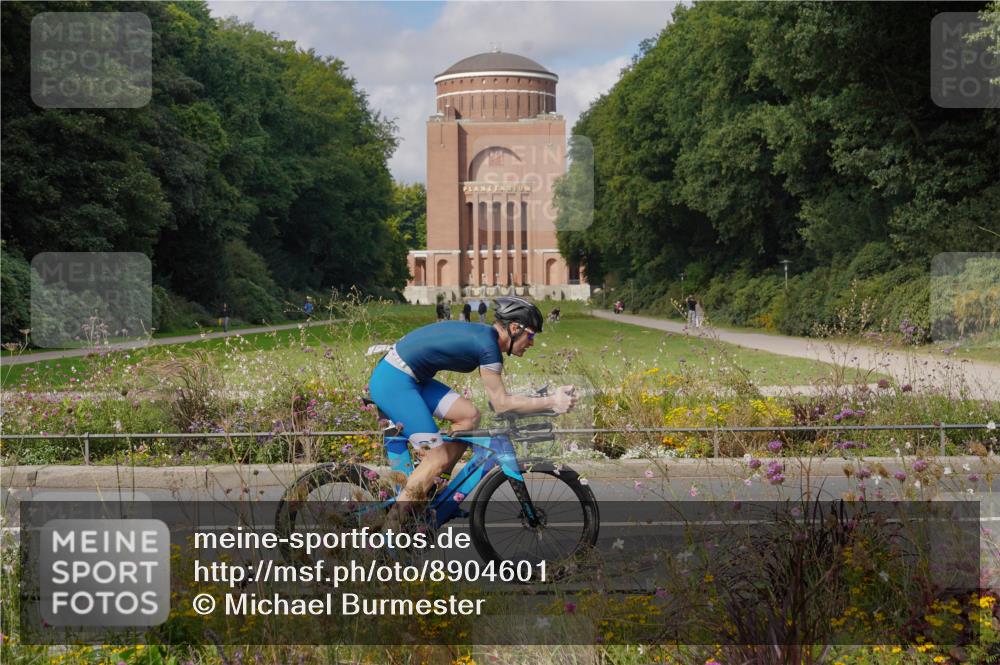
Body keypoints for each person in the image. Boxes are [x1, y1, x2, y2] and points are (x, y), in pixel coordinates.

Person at [369, 296, 578, 528]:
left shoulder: (487, 340)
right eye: (531, 335)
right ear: (515, 328)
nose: (532, 343)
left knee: (469, 416)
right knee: (437, 457)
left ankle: (434, 488)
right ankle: (390, 532)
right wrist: (552, 402)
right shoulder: (488, 346)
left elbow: (500, 400)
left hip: (410, 377)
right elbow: (501, 403)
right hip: (394, 381)